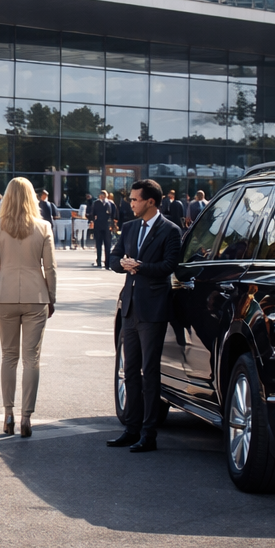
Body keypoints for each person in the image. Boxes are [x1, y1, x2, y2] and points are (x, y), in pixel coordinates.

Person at [107, 179, 182, 453]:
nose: (131, 203)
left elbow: (169, 265)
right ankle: (131, 429)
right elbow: (113, 259)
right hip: (129, 308)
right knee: (130, 371)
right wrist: (123, 264)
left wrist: (140, 266)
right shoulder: (129, 227)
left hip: (153, 310)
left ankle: (149, 434)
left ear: (150, 202)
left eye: (135, 199)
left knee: (150, 373)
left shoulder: (170, 230)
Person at [0, 177, 58, 438]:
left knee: (8, 356)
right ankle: (27, 416)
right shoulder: (43, 226)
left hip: (4, 295)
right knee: (31, 359)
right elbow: (50, 267)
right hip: (35, 295)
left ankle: (8, 413)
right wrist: (51, 297)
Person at [87, 189, 117, 267]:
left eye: (103, 195)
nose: (102, 197)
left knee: (106, 244)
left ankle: (106, 262)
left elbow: (114, 215)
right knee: (100, 244)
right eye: (101, 195)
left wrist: (113, 224)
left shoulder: (109, 203)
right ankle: (100, 262)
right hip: (100, 225)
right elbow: (92, 213)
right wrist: (91, 221)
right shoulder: (97, 203)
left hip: (106, 225)